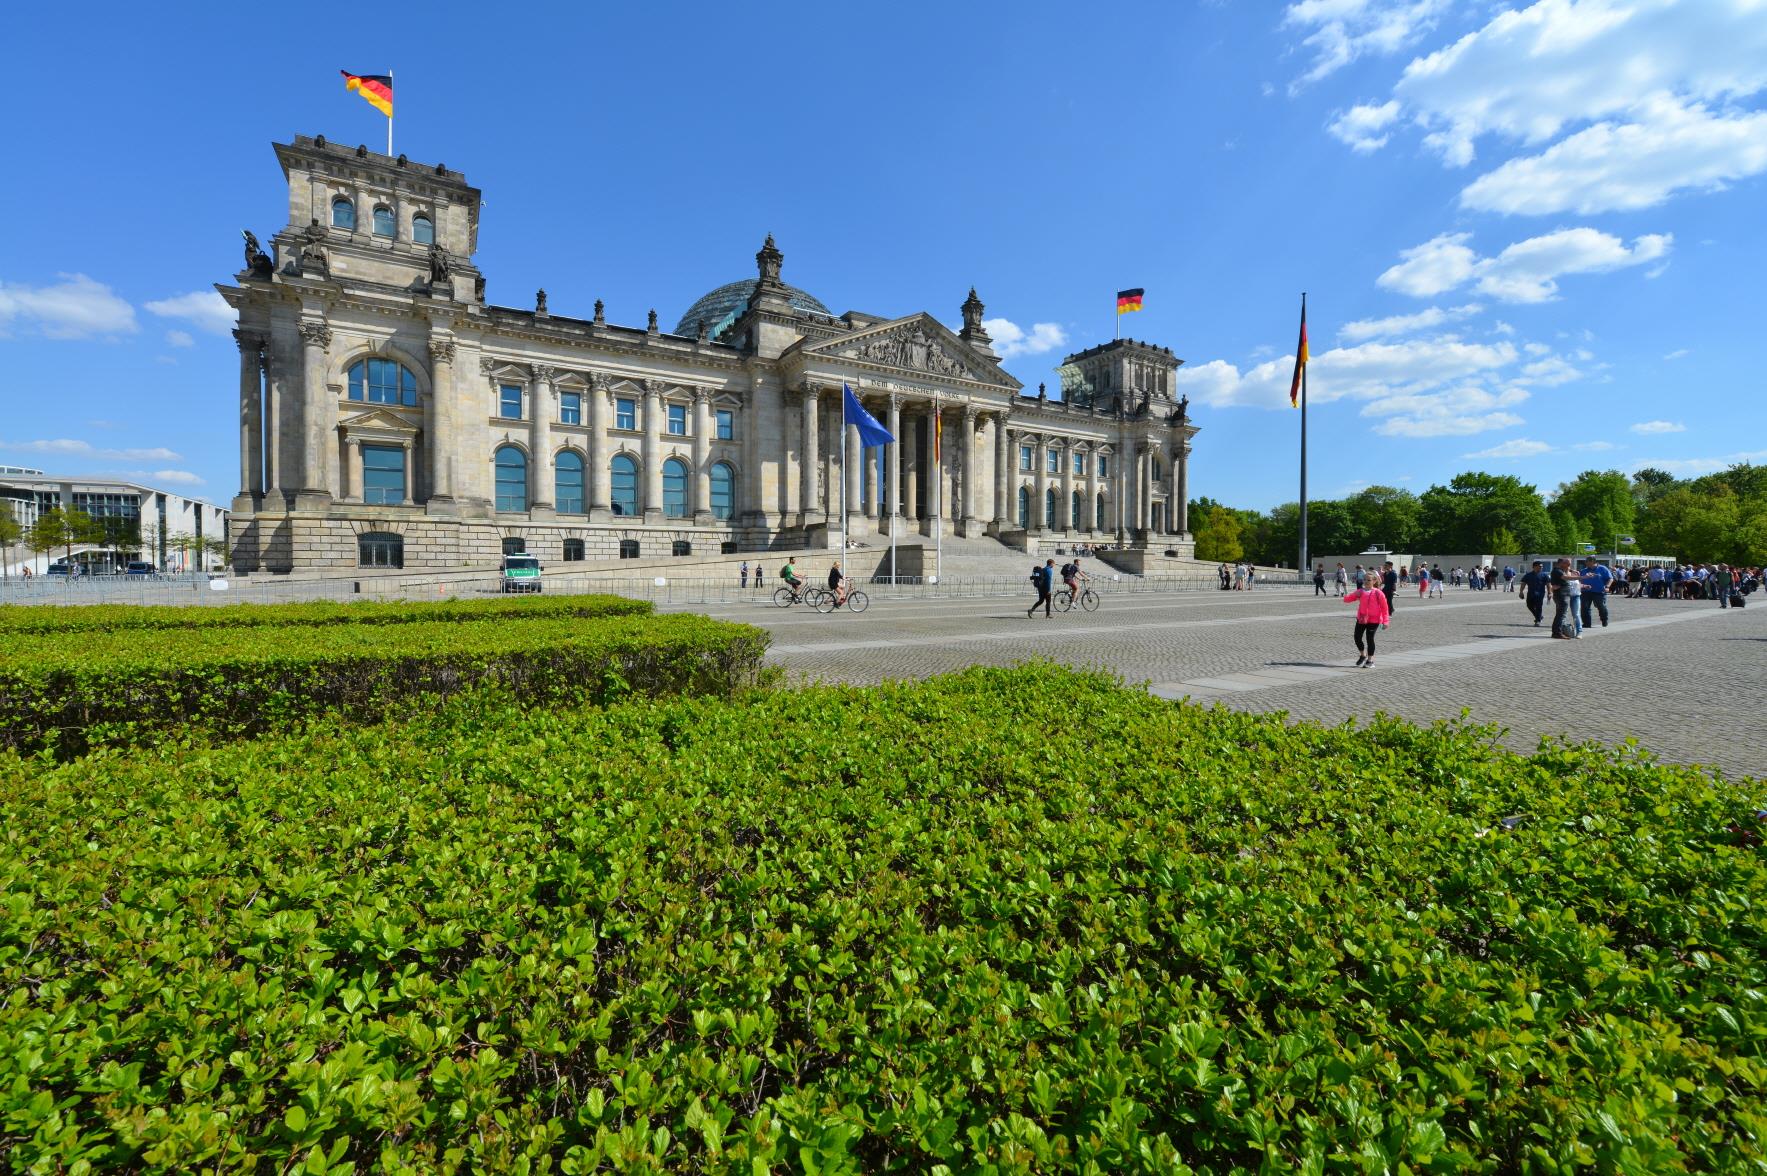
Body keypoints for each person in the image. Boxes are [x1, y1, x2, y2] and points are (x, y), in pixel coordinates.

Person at [1342, 579, 1391, 668]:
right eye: (1364, 579)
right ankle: (1363, 655)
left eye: (1368, 580)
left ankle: (1370, 661)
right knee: (1357, 637)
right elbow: (1350, 598)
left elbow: (1384, 608)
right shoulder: (1360, 591)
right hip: (1362, 619)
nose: (1366, 581)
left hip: (1374, 620)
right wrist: (1346, 597)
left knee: (1370, 639)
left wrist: (1385, 621)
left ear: (1374, 581)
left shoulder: (1378, 593)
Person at [1580, 556, 1613, 628]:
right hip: (1586, 592)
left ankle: (1604, 620)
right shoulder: (1584, 570)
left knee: (1601, 606)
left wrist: (1607, 587)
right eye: (1586, 562)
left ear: (1593, 562)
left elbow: (1610, 579)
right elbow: (1579, 580)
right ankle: (1586, 623)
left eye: (1588, 562)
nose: (1586, 563)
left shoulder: (1602, 569)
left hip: (1599, 592)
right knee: (1584, 608)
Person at [1519, 560, 1548, 625]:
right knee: (1529, 605)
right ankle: (1539, 616)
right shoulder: (1528, 575)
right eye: (1540, 566)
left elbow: (1548, 584)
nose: (1541, 567)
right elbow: (1523, 583)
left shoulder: (1544, 575)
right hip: (1530, 593)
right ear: (1535, 566)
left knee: (1539, 607)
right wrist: (1521, 592)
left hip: (1540, 594)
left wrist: (1550, 592)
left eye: (1542, 566)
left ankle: (1538, 620)